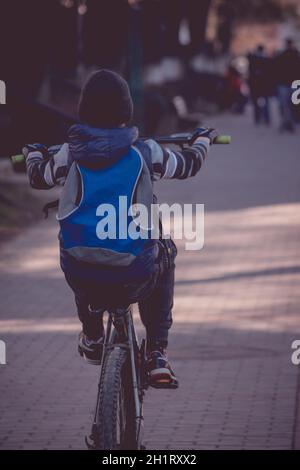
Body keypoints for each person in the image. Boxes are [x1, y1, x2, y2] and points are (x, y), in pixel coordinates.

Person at [23, 70, 216, 388]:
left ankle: (93, 335)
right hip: (136, 274)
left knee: (79, 247)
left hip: (81, 275)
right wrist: (202, 141)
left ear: (84, 110)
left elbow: (38, 176)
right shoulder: (145, 152)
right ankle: (156, 352)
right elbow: (188, 164)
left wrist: (33, 153)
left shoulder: (69, 153)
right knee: (164, 250)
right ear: (126, 112)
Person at [275, 38, 300, 132]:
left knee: (291, 105)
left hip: (292, 83)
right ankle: (287, 122)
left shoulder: (295, 56)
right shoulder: (284, 56)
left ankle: (289, 122)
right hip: (285, 83)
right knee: (285, 105)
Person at [248, 45, 272, 126]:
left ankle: (263, 119)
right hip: (259, 86)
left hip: (261, 86)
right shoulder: (257, 60)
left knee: (262, 103)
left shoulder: (257, 60)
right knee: (262, 103)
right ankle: (264, 119)